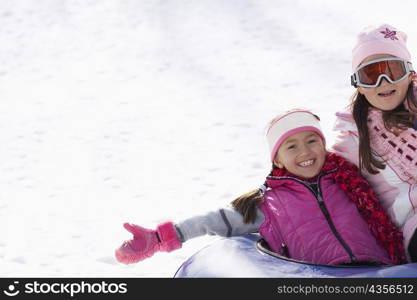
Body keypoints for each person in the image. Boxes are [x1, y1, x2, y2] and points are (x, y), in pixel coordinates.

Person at [115, 109, 406, 266]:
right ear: (276, 158)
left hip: (379, 274)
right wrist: (157, 238)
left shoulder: (350, 180)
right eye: (292, 146)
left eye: (312, 141)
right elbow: (215, 221)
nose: (305, 152)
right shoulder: (269, 204)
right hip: (322, 279)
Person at [332, 23, 417, 262]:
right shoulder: (352, 138)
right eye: (370, 74)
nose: (382, 81)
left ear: (410, 74)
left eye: (392, 70)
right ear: (358, 84)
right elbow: (317, 181)